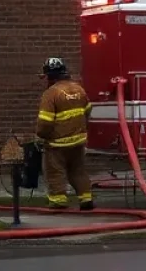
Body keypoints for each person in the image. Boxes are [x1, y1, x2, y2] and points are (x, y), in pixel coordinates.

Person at [35, 57, 94, 211]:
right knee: (78, 170)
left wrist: (41, 135)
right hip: (79, 141)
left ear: (49, 76)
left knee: (55, 171)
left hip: (57, 143)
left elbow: (45, 122)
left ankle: (58, 200)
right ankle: (86, 198)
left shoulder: (51, 94)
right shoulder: (78, 89)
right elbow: (87, 111)